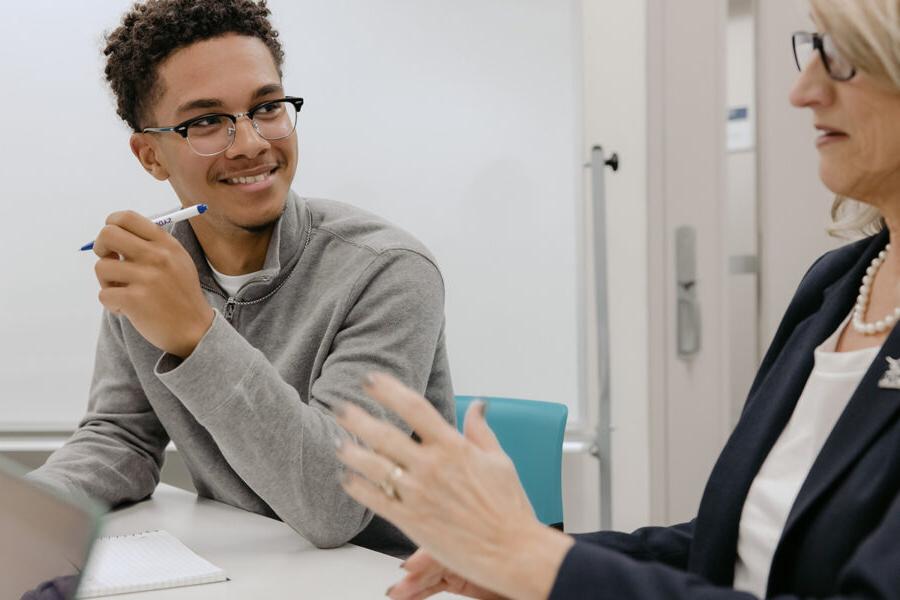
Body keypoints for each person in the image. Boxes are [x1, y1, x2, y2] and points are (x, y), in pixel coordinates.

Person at [334, 0, 900, 597]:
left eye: (840, 57)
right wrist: (521, 556)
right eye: (811, 49)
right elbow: (730, 546)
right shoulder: (836, 286)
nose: (802, 91)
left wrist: (539, 564)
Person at [27, 0, 454, 557]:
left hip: (391, 578)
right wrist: (28, 513)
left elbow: (335, 506)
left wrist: (196, 335)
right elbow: (122, 438)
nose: (251, 142)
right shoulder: (154, 271)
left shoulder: (387, 269)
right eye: (206, 121)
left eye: (267, 107)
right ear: (150, 155)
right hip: (252, 568)